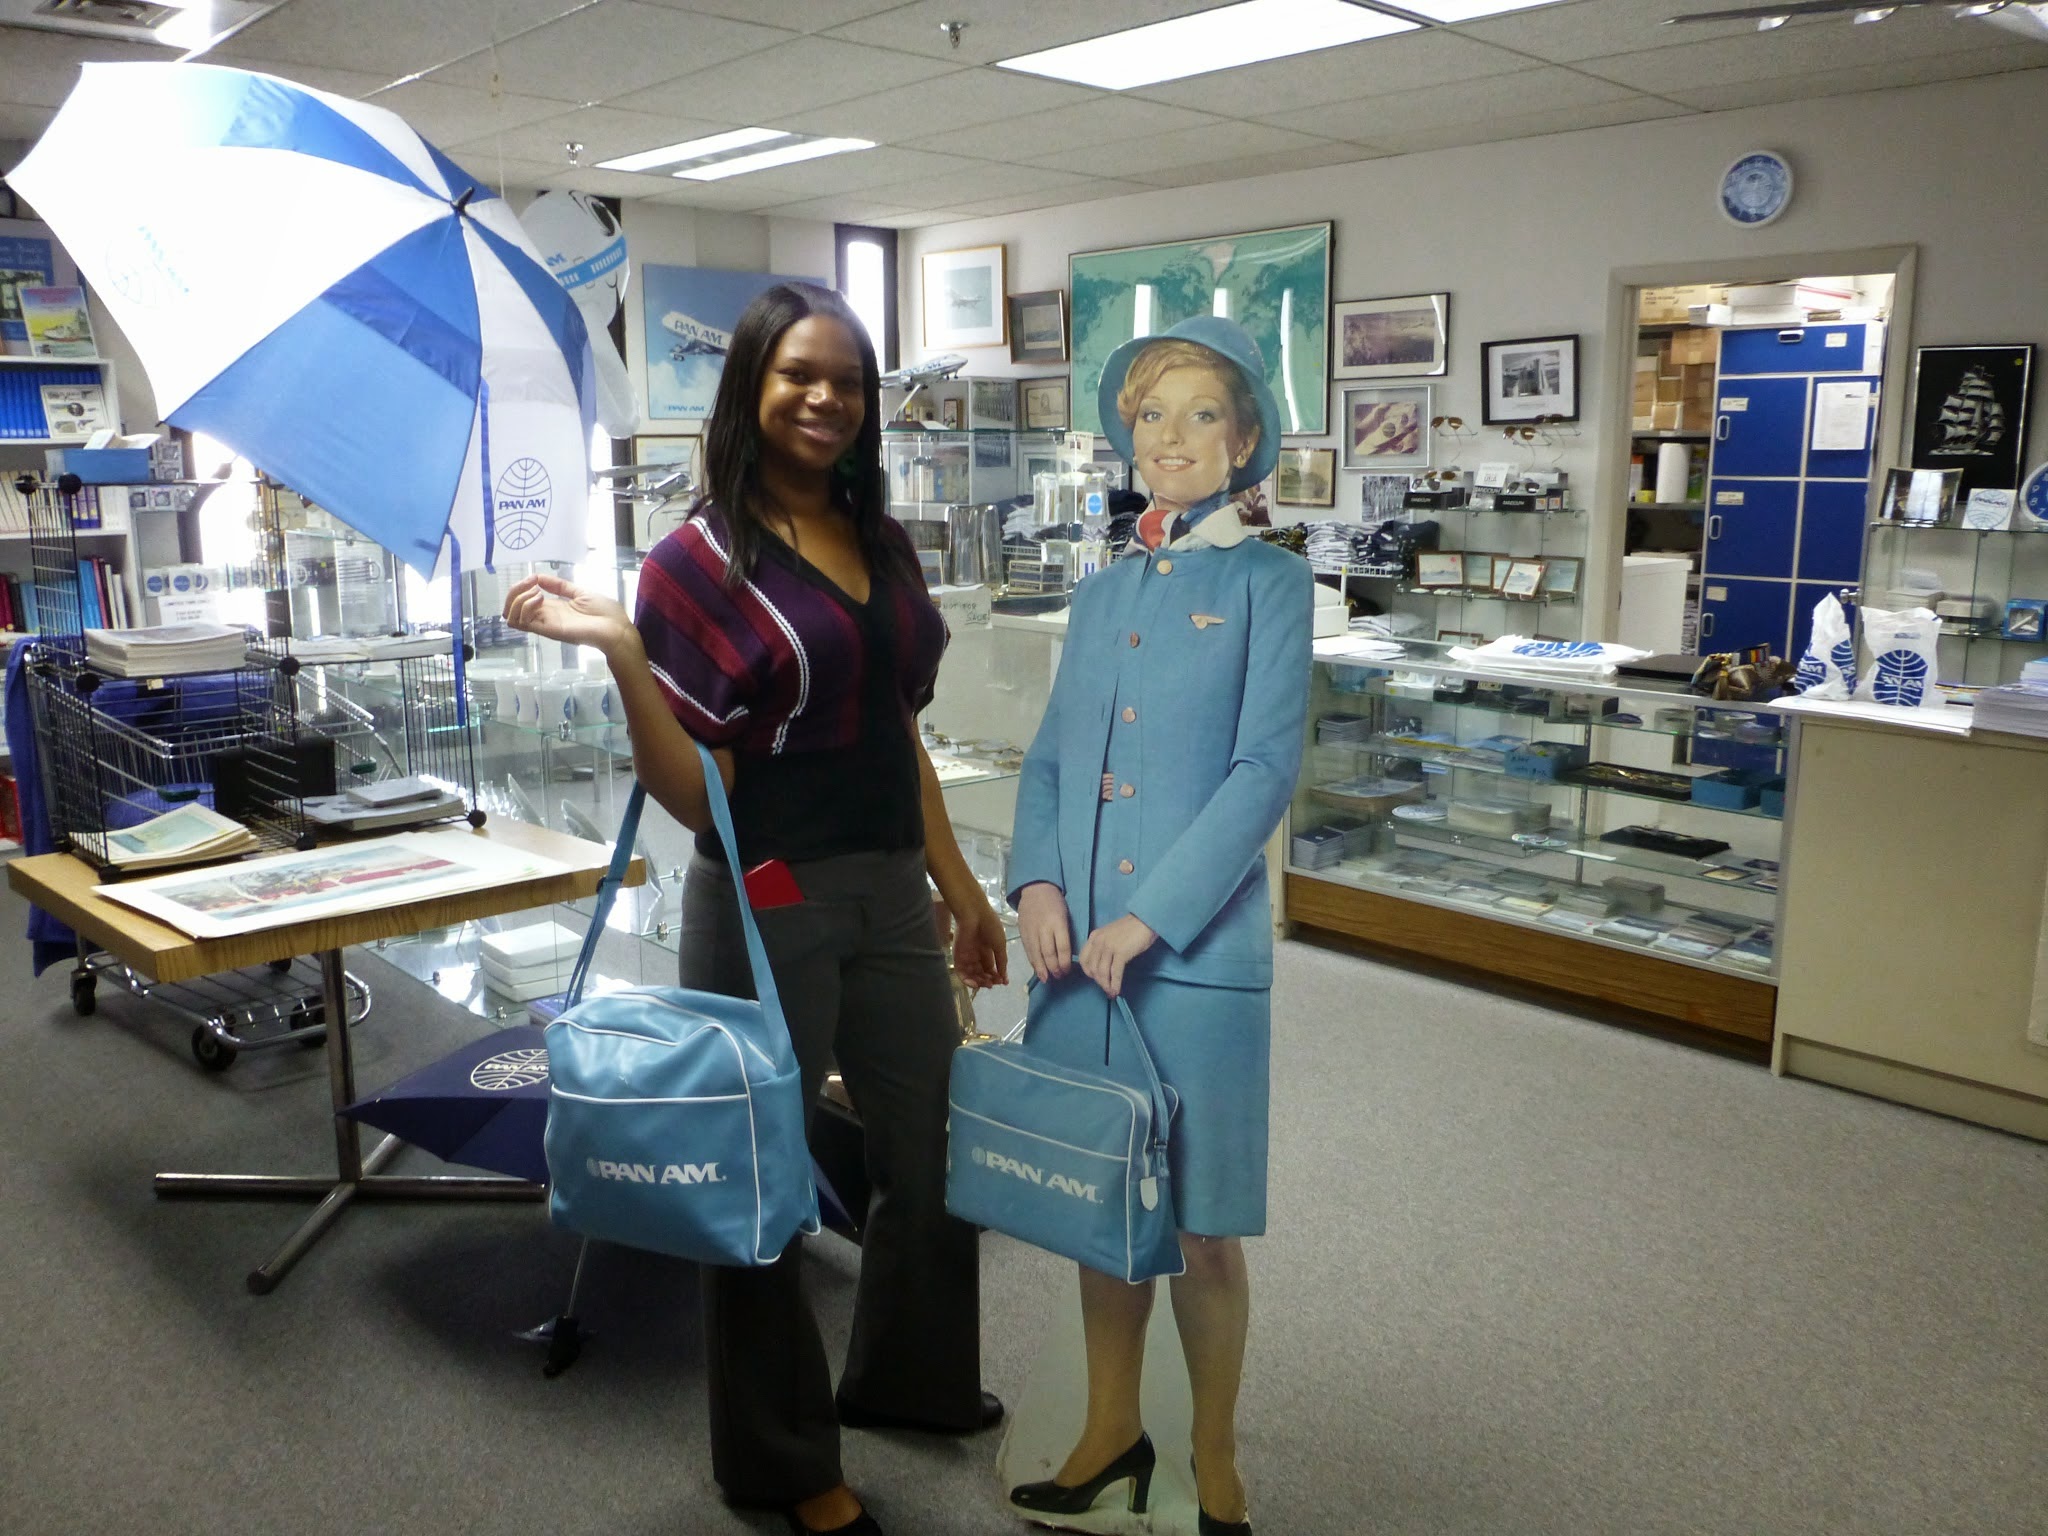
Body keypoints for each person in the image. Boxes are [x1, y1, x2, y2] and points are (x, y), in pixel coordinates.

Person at [503, 281, 1009, 1536]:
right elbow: (693, 795)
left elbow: (897, 725)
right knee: (761, 1180)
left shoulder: (878, 534)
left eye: (847, 379)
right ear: (751, 387)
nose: (826, 398)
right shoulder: (695, 560)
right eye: (799, 375)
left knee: (931, 1144)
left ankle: (908, 1379)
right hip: (764, 899)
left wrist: (958, 884)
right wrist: (624, 654)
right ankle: (783, 1462)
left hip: (890, 888)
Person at [1003, 316, 1311, 1536]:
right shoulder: (1100, 590)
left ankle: (1214, 1457)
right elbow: (1049, 758)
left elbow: (1259, 773)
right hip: (1075, 960)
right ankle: (1108, 1431)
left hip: (1191, 958)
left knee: (1199, 1225)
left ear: (1243, 441)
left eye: (1197, 414)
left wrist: (1146, 914)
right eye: (1146, 415)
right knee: (1101, 1204)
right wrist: (1033, 885)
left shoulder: (1270, 582)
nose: (1168, 437)